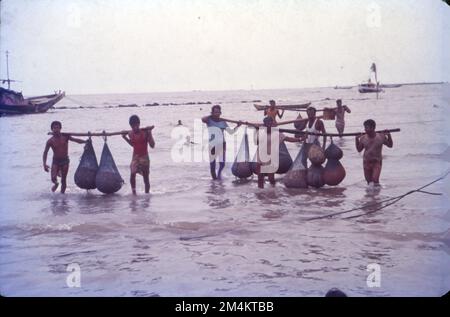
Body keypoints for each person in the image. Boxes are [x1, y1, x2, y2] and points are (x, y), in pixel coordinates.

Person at [255, 116, 305, 189]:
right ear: (264, 125)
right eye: (266, 124)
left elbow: (288, 139)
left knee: (271, 178)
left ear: (272, 124)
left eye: (270, 123)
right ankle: (260, 193)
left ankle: (273, 191)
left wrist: (300, 139)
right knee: (260, 177)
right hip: (260, 157)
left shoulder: (277, 134)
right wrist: (256, 130)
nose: (268, 125)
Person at [43, 121, 87, 193]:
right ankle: (56, 184)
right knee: (53, 178)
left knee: (63, 179)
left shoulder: (65, 137)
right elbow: (45, 152)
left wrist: (85, 142)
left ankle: (62, 197)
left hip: (65, 161)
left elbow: (76, 140)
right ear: (52, 129)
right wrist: (44, 164)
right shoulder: (50, 141)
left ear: (60, 129)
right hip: (56, 161)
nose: (56, 130)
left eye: (57, 128)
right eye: (54, 128)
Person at [202, 105, 241, 180]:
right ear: (212, 113)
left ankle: (219, 174)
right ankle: (214, 180)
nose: (217, 113)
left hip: (222, 144)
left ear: (220, 113)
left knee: (222, 163)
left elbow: (231, 132)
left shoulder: (223, 122)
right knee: (212, 164)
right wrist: (211, 116)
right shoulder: (209, 120)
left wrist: (237, 126)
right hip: (212, 145)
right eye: (215, 112)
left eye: (218, 112)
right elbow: (203, 119)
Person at [122, 115, 155, 195]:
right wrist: (125, 138)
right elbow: (133, 144)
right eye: (133, 126)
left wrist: (149, 133)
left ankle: (147, 195)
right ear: (131, 126)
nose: (135, 128)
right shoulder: (130, 134)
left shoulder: (145, 133)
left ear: (139, 124)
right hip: (135, 157)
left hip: (144, 157)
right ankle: (134, 193)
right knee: (132, 174)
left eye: (136, 125)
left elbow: (152, 145)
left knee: (146, 179)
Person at [355, 119, 393, 186]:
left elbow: (390, 145)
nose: (365, 130)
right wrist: (356, 139)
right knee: (369, 183)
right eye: (365, 128)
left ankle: (377, 195)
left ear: (373, 128)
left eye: (366, 128)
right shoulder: (363, 138)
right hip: (366, 162)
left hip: (377, 162)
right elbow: (359, 149)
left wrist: (389, 135)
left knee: (375, 181)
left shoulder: (381, 136)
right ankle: (371, 196)